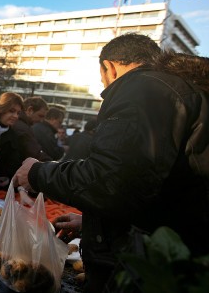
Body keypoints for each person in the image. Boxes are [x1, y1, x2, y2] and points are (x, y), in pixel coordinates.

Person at [13, 33, 209, 293]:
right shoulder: (181, 92)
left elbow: (112, 180)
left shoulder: (145, 89)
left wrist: (37, 173)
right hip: (174, 257)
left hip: (150, 268)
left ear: (110, 67)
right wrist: (94, 223)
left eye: (102, 77)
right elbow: (155, 185)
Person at [12, 96, 52, 161]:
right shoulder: (22, 128)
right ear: (30, 110)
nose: (41, 120)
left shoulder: (21, 125)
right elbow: (35, 153)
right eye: (40, 116)